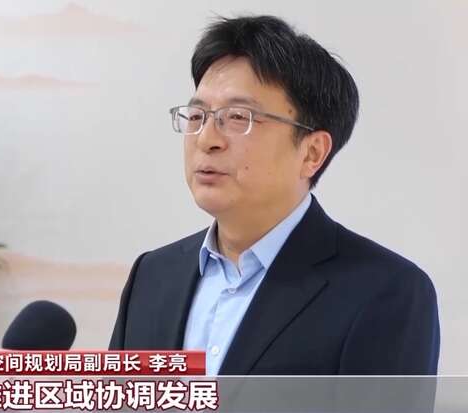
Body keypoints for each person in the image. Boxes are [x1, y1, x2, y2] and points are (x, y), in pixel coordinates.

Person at [108, 15, 440, 375]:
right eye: (198, 116)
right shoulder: (152, 275)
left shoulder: (385, 292)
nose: (206, 139)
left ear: (312, 153)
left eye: (238, 117)